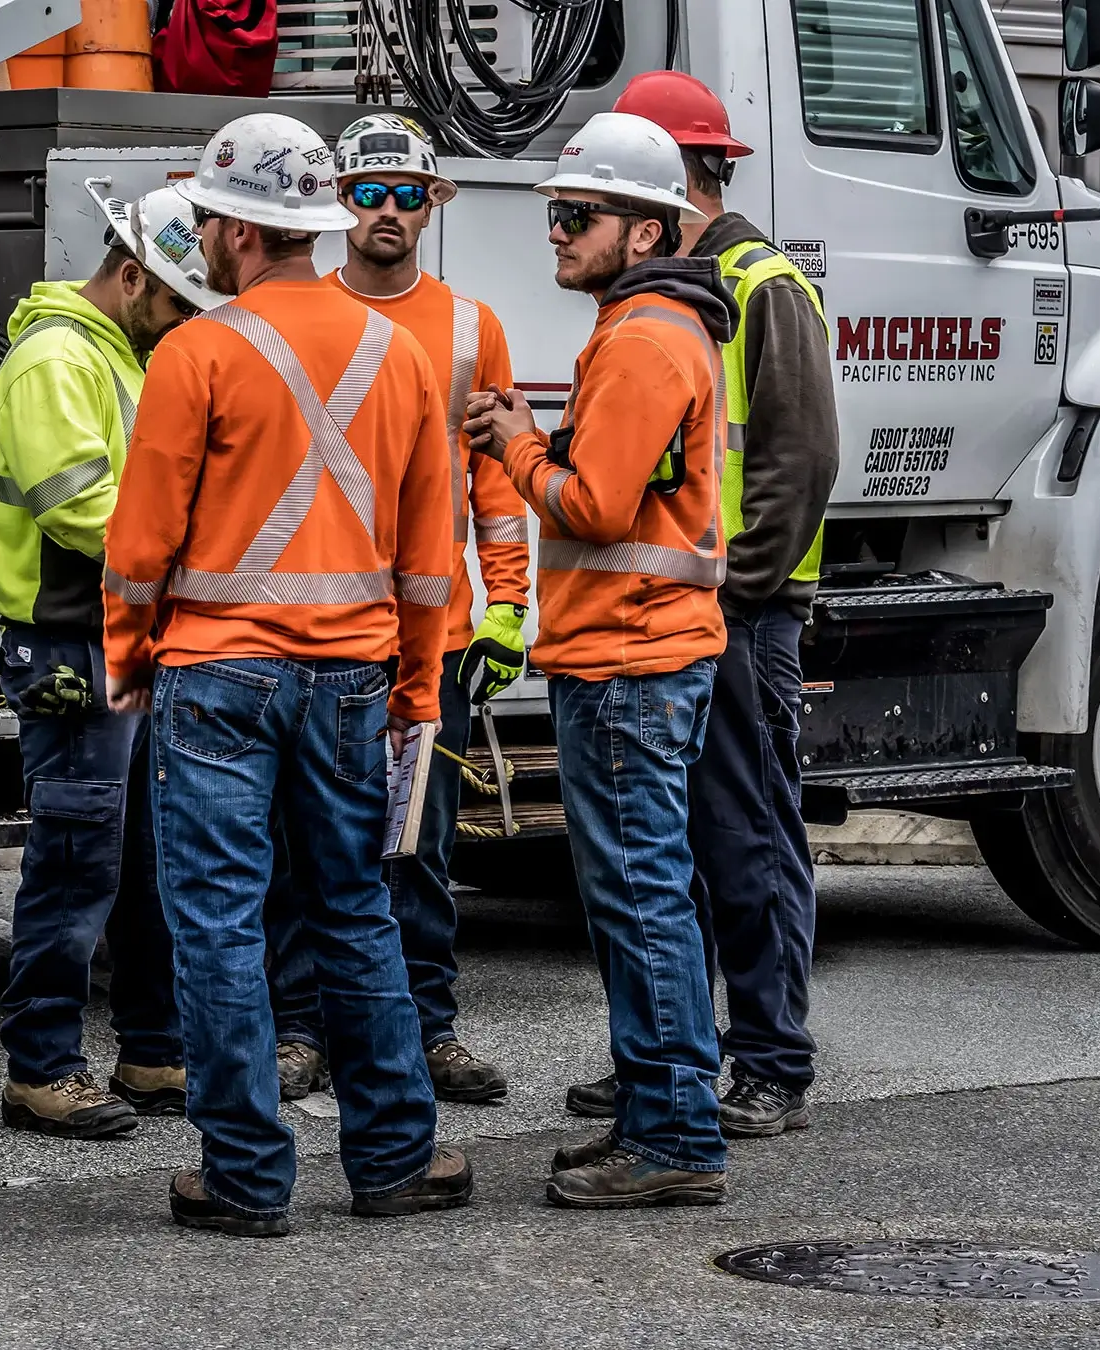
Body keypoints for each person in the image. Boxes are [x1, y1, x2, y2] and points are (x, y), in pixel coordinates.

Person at [103, 112, 472, 1238]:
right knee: (356, 910)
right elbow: (427, 554)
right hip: (355, 678)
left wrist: (129, 658)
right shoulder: (400, 356)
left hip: (217, 678)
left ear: (236, 230)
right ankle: (396, 1159)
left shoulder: (196, 354)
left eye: (210, 220)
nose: (205, 238)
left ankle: (248, 1175)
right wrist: (416, 686)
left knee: (217, 924)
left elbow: (139, 543)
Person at [558, 72, 841, 1137]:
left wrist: (735, 588)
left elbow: (799, 456)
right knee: (663, 846)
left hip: (737, 610)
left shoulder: (757, 284)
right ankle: (679, 1055)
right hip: (686, 605)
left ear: (667, 179)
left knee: (747, 834)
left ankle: (770, 1058)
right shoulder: (668, 291)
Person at [463, 112, 735, 1209]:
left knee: (638, 897)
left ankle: (672, 1134)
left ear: (643, 232)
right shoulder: (650, 329)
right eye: (556, 216)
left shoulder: (641, 339)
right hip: (638, 649)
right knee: (641, 891)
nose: (558, 233)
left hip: (629, 656)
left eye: (578, 216)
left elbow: (591, 502)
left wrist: (513, 442)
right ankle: (655, 1106)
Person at [265, 114, 530, 1107]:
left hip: (434, 632)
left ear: (433, 204)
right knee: (306, 843)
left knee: (419, 842)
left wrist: (508, 607)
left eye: (404, 194)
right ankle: (303, 1030)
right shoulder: (297, 316)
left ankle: (429, 1027)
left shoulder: (472, 329)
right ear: (339, 203)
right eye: (367, 192)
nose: (385, 210)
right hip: (320, 630)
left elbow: (496, 482)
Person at [0, 188, 228, 1138]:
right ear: (131, 276)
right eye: (172, 301)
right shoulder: (55, 358)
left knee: (146, 859)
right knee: (78, 861)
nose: (180, 324)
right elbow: (82, 510)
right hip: (76, 636)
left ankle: (154, 1050)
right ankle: (40, 1067)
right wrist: (199, 548)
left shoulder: (114, 354)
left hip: (122, 633)